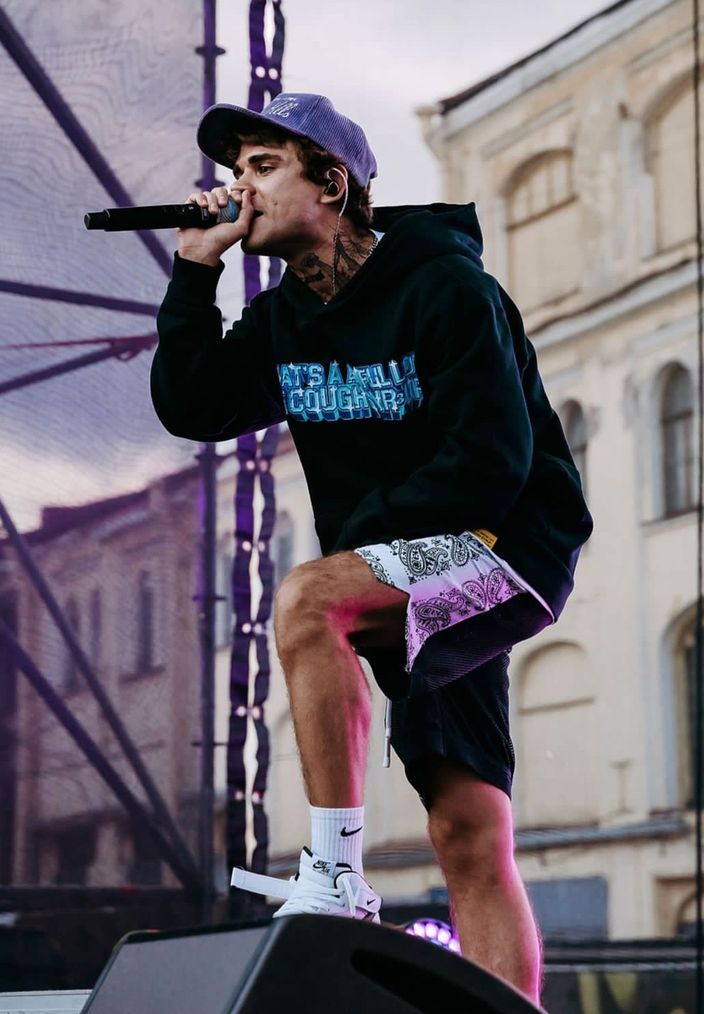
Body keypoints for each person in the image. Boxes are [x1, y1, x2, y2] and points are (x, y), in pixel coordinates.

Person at [150, 92, 593, 1006]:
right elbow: (195, 407)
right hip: (399, 574)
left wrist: (357, 554)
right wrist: (195, 274)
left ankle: (338, 874)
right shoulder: (284, 320)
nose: (241, 187)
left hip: (503, 546)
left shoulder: (445, 289)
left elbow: (492, 462)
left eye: (264, 166)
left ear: (332, 182)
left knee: (310, 598)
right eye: (238, 171)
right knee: (468, 829)